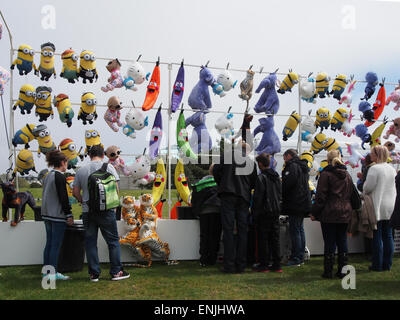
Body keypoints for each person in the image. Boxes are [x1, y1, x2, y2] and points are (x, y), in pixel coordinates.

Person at [73, 145, 130, 282]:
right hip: (107, 211)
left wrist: (83, 201)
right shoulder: (109, 167)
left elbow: (75, 192)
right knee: (113, 242)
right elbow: (116, 189)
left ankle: (94, 274)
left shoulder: (81, 170)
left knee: (91, 243)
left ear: (89, 155)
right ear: (103, 155)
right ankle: (116, 272)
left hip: (88, 212)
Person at [212, 142, 257, 273]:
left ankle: (229, 264)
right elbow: (254, 182)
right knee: (243, 231)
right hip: (243, 198)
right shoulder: (250, 162)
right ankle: (241, 265)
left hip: (227, 195)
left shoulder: (226, 156)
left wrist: (222, 184)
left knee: (228, 230)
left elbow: (215, 171)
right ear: (247, 151)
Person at [310, 150, 353, 279]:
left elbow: (321, 196)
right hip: (345, 211)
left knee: (329, 242)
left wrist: (314, 212)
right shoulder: (347, 175)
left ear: (327, 159)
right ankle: (343, 270)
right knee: (342, 241)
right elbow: (351, 193)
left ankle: (328, 271)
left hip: (329, 212)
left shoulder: (326, 174)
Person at [363, 145, 397, 272]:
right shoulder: (391, 169)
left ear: (377, 155)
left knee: (377, 235)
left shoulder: (374, 169)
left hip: (378, 204)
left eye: (372, 153)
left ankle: (377, 264)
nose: (370, 155)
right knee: (388, 236)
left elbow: (367, 188)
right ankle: (387, 264)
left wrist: (365, 184)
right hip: (390, 205)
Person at [41, 150, 74, 281]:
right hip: (57, 216)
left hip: (46, 215)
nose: (67, 165)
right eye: (67, 162)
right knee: (55, 245)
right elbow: (63, 197)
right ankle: (53, 273)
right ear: (62, 162)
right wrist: (69, 214)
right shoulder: (60, 176)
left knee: (49, 244)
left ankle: (46, 272)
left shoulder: (48, 175)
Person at [252, 153, 282, 273]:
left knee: (263, 239)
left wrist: (255, 213)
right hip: (275, 210)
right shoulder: (276, 177)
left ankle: (264, 264)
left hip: (264, 211)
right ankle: (276, 264)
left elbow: (258, 198)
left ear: (260, 164)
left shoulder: (261, 178)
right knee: (275, 238)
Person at [281, 149, 311, 266]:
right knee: (300, 229)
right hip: (303, 202)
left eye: (284, 158)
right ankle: (300, 255)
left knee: (295, 230)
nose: (284, 161)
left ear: (288, 156)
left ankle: (296, 258)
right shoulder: (303, 167)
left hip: (295, 202)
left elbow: (288, 184)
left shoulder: (292, 166)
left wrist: (281, 188)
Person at [191, 166, 222, 267]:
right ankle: (212, 259)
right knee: (215, 236)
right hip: (217, 211)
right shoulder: (220, 182)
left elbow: (194, 199)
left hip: (203, 212)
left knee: (204, 235)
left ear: (209, 171)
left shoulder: (200, 183)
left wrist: (196, 211)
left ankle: (203, 259)